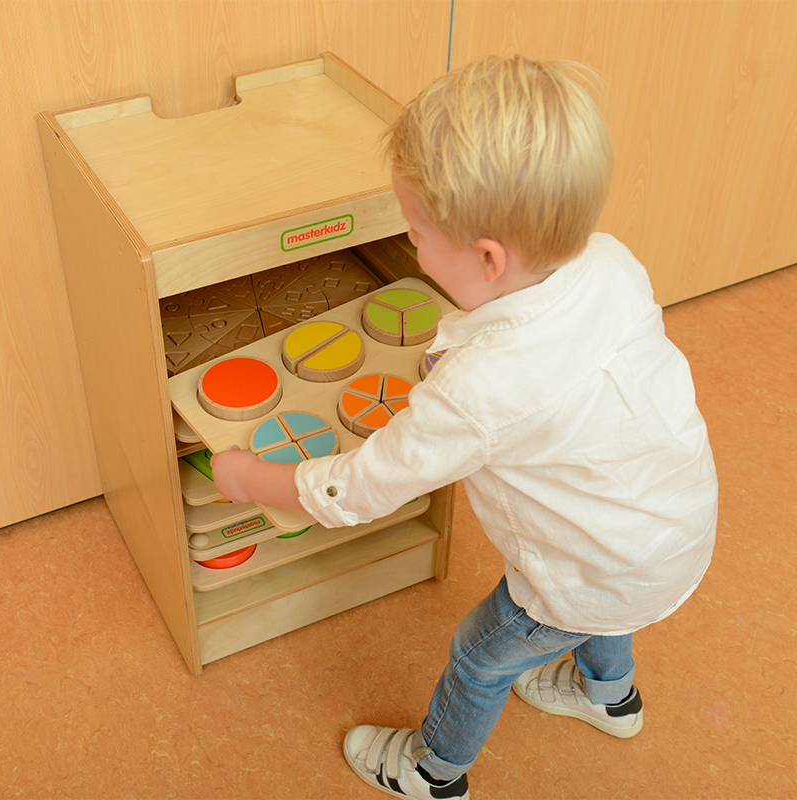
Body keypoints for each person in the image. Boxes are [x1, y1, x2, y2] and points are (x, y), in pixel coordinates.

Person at [210, 55, 718, 800]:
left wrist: (254, 477)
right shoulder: (609, 261)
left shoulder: (481, 393)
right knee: (605, 601)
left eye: (415, 232)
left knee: (482, 655)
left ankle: (433, 770)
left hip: (591, 565)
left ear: (486, 258)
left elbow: (358, 488)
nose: (409, 243)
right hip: (665, 526)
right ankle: (611, 695)